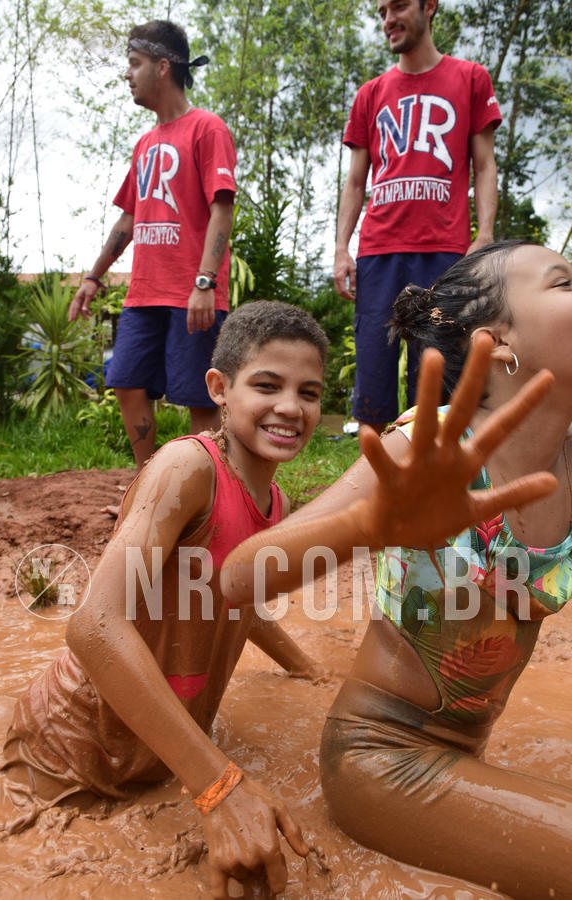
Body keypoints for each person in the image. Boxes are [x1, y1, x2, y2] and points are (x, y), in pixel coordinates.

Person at [222, 242, 572, 899]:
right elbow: (238, 579)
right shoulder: (429, 445)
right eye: (564, 282)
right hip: (380, 759)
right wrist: (371, 527)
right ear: (501, 347)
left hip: (466, 758)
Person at [0, 301, 330, 898]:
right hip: (71, 753)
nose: (291, 407)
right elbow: (93, 626)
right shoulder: (187, 469)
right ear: (219, 388)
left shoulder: (276, 506)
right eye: (267, 385)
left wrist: (307, 669)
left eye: (309, 392)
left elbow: (237, 600)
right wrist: (218, 787)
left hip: (165, 751)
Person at [69, 19, 236, 472]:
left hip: (191, 294)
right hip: (143, 293)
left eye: (134, 63)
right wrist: (93, 276)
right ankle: (148, 484)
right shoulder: (145, 144)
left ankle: (205, 495)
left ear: (163, 67)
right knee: (126, 381)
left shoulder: (207, 128)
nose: (128, 73)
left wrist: (205, 281)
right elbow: (129, 217)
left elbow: (222, 208)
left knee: (198, 397)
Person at [333, 0, 502, 433]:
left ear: (430, 7)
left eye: (399, 6)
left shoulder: (470, 78)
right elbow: (355, 182)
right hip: (378, 253)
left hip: (444, 252)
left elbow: (484, 165)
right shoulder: (370, 94)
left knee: (438, 373)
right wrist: (340, 248)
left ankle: (432, 486)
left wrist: (483, 235)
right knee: (372, 371)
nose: (389, 18)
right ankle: (375, 482)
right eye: (382, 10)